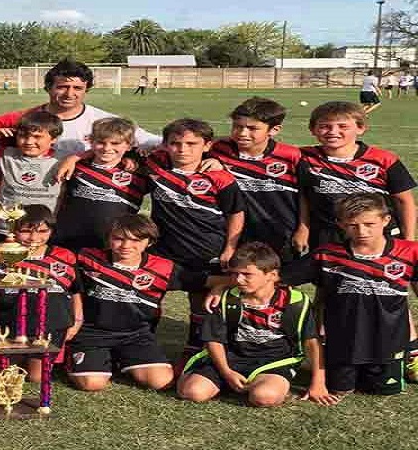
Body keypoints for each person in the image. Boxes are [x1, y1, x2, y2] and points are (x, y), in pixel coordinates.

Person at [280, 193, 418, 397]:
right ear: (341, 224)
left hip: (389, 342)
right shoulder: (326, 254)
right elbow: (277, 279)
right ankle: (311, 359)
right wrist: (221, 286)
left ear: (386, 220)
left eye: (369, 223)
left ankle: (406, 358)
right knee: (341, 390)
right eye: (353, 225)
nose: (362, 231)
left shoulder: (410, 252)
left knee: (384, 392)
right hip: (343, 343)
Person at [67, 214, 214, 391]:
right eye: (118, 238)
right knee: (92, 384)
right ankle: (81, 357)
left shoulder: (163, 268)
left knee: (161, 381)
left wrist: (221, 287)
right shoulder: (86, 258)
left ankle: (119, 360)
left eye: (135, 240)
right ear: (108, 238)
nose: (126, 246)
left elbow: (205, 281)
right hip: (92, 334)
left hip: (136, 335)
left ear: (149, 242)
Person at [178, 242, 332, 407]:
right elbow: (213, 340)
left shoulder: (296, 302)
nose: (238, 280)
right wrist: (226, 372)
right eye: (234, 274)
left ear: (271, 275)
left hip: (274, 361)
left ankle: (266, 385)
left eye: (247, 274)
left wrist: (318, 382)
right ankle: (215, 381)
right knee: (193, 392)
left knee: (263, 397)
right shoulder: (223, 299)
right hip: (231, 358)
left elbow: (311, 342)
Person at [145, 119, 245, 362]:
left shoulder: (219, 177)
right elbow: (116, 149)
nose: (183, 150)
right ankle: (144, 341)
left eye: (191, 144)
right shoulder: (155, 163)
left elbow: (236, 213)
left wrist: (230, 247)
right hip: (165, 249)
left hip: (206, 249)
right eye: (175, 143)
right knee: (148, 294)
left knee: (201, 301)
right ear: (165, 145)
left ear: (207, 145)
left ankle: (195, 349)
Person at [0, 205, 81, 382]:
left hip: (48, 326)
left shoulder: (64, 256)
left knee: (36, 377)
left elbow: (76, 291)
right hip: (7, 325)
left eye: (42, 231)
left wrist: (77, 321)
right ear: (13, 230)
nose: (34, 238)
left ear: (52, 231)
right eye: (25, 231)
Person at [0, 59, 162, 157]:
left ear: (87, 90)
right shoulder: (24, 117)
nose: (70, 94)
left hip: (78, 204)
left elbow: (152, 141)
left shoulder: (105, 122)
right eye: (62, 87)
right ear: (48, 88)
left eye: (78, 88)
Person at [294, 101, 416, 251]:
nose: (333, 131)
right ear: (312, 130)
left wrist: (409, 239)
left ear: (360, 128)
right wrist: (303, 228)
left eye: (343, 126)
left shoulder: (383, 160)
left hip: (377, 234)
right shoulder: (303, 157)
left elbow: (404, 201)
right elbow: (304, 196)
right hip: (327, 235)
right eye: (324, 126)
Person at [209, 97, 302, 263]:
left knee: (277, 282)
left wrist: (303, 229)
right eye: (237, 126)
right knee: (232, 279)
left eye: (252, 128)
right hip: (230, 234)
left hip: (279, 232)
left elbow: (306, 196)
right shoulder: (217, 150)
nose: (243, 133)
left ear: (274, 130)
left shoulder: (292, 156)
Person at [53, 117, 147, 251]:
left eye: (115, 143)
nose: (107, 148)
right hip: (65, 240)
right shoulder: (75, 166)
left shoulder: (139, 172)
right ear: (90, 141)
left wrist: (133, 156)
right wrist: (75, 157)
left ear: (129, 145)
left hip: (111, 246)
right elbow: (60, 196)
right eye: (101, 142)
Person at [0, 110, 65, 244]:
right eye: (23, 136)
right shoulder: (4, 153)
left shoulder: (64, 160)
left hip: (43, 231)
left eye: (37, 136)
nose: (29, 141)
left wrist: (76, 157)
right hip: (7, 230)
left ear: (54, 139)